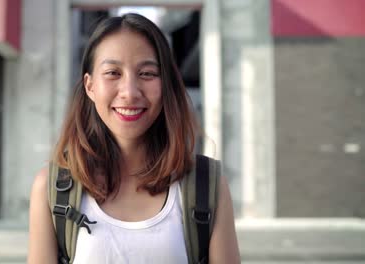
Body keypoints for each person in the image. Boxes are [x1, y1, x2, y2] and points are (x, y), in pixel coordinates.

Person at [28, 13, 240, 264]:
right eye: (113, 73)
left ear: (166, 86)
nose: (129, 92)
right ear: (89, 86)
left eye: (147, 74)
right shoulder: (52, 190)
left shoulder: (207, 186)